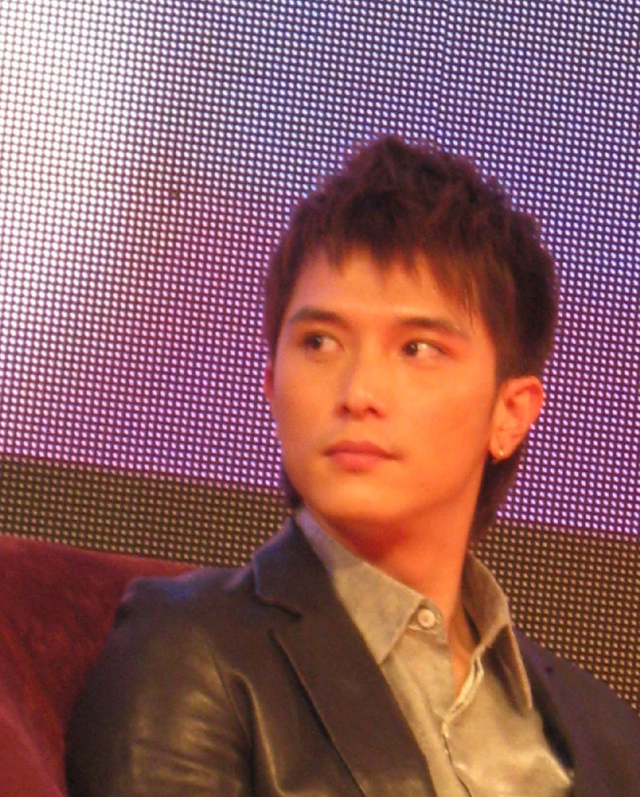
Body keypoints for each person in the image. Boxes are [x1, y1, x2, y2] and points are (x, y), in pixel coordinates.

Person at [65, 136, 640, 797]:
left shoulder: (608, 737)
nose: (358, 391)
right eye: (320, 342)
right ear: (272, 384)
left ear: (510, 413)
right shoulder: (194, 654)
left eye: (418, 348)